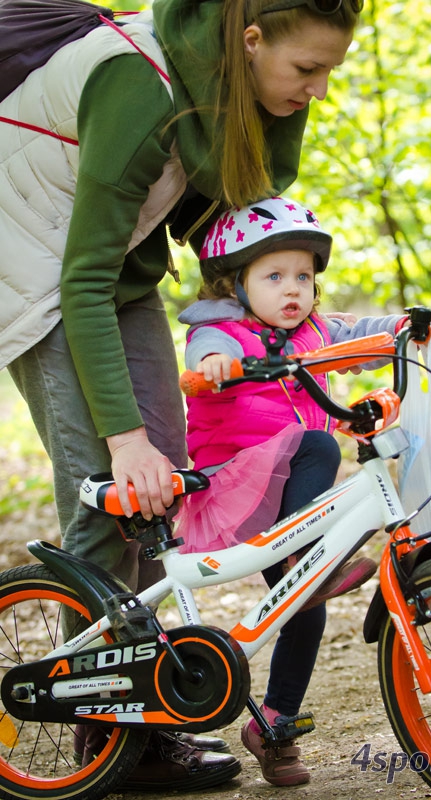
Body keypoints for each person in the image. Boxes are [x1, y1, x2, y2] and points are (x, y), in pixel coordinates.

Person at [0, 0, 364, 790]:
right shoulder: (140, 90)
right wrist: (123, 440)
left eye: (330, 70)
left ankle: (146, 705)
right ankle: (106, 740)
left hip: (116, 270)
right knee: (113, 496)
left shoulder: (231, 96)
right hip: (33, 271)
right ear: (252, 39)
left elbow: (238, 210)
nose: (320, 91)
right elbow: (79, 278)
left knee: (159, 494)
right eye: (308, 70)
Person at [175, 196, 431, 787]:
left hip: (291, 504)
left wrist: (410, 326)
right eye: (274, 276)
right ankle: (308, 559)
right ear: (235, 282)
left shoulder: (315, 332)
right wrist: (220, 364)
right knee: (321, 445)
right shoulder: (221, 331)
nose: (292, 289)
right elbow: (201, 354)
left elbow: (361, 332)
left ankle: (275, 722)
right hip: (235, 485)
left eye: (303, 275)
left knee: (305, 607)